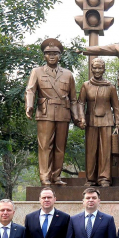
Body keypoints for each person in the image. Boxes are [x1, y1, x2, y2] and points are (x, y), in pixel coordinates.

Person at [25, 38, 80, 186]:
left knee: (60, 147)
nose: (51, 56)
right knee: (45, 146)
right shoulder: (37, 72)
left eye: (55, 53)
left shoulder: (68, 74)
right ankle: (45, 176)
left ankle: (56, 176)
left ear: (60, 56)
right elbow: (30, 90)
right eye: (48, 53)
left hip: (63, 112)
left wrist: (76, 116)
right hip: (45, 112)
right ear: (44, 56)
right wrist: (29, 106)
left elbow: (73, 99)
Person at [80, 57, 119, 187]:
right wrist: (81, 118)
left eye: (100, 68)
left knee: (105, 151)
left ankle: (104, 178)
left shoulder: (110, 87)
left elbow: (116, 106)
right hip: (90, 121)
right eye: (95, 68)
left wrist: (118, 123)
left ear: (104, 69)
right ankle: (90, 179)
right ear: (91, 69)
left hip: (107, 121)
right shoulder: (86, 85)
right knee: (91, 151)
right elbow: (80, 103)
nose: (97, 70)